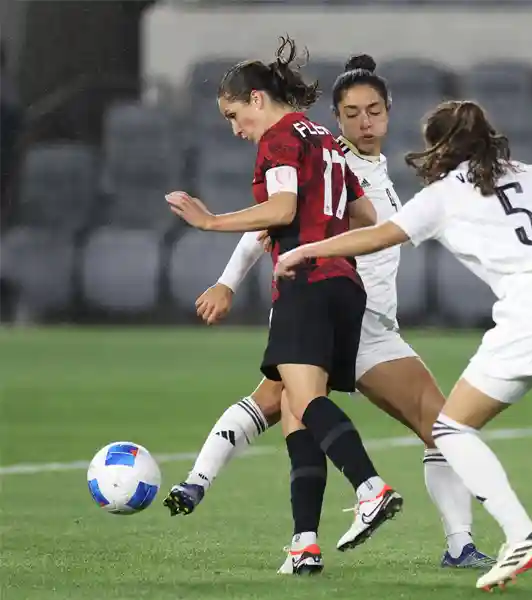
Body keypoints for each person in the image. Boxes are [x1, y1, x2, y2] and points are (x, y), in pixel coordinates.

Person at [272, 99, 532, 590]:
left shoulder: (442, 196)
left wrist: (307, 249)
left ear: (439, 147)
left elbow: (375, 237)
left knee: (450, 429)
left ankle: (520, 533)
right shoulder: (529, 174)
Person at [167, 54, 494, 572]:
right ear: (336, 118)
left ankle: (453, 542)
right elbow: (270, 226)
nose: (365, 123)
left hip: (366, 316)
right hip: (334, 301)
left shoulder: (356, 165)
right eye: (352, 113)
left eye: (374, 111)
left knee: (427, 426)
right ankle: (232, 496)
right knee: (290, 405)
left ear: (389, 113)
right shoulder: (322, 149)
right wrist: (228, 281)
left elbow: (352, 222)